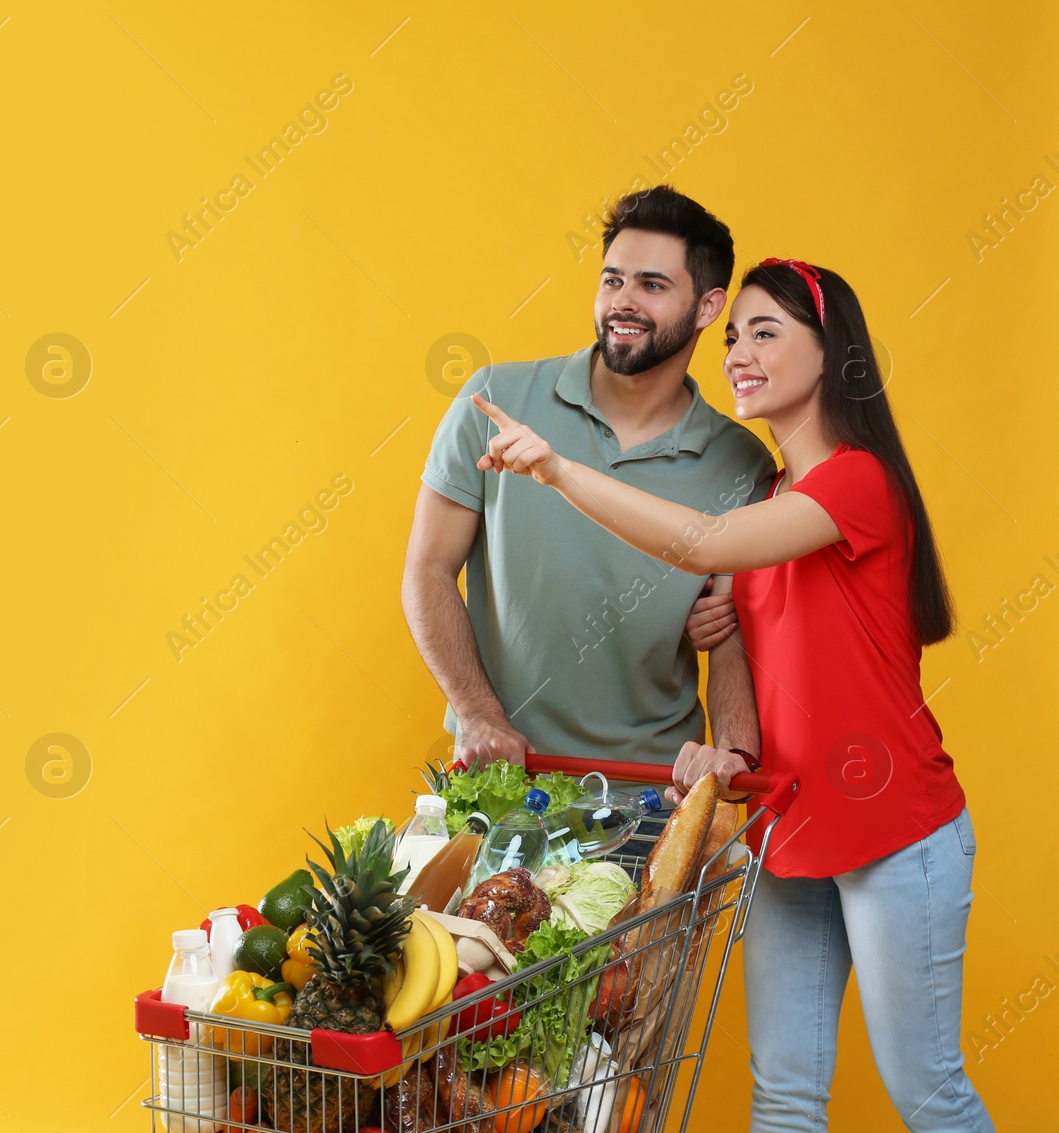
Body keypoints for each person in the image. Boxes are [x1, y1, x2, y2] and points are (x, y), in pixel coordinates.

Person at [469, 257, 992, 1132]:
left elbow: (704, 540)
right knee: (783, 1096)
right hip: (789, 829)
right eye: (734, 334)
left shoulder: (856, 482)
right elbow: (768, 635)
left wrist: (557, 471)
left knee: (928, 1092)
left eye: (767, 332)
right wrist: (731, 712)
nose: (738, 352)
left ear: (832, 355)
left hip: (897, 831)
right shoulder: (783, 495)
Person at [404, 185, 775, 778]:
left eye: (652, 285)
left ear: (707, 308)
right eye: (612, 280)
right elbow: (426, 570)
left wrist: (733, 757)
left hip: (655, 788)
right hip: (502, 771)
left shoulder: (742, 463)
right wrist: (477, 713)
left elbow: (731, 635)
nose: (622, 302)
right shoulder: (497, 399)